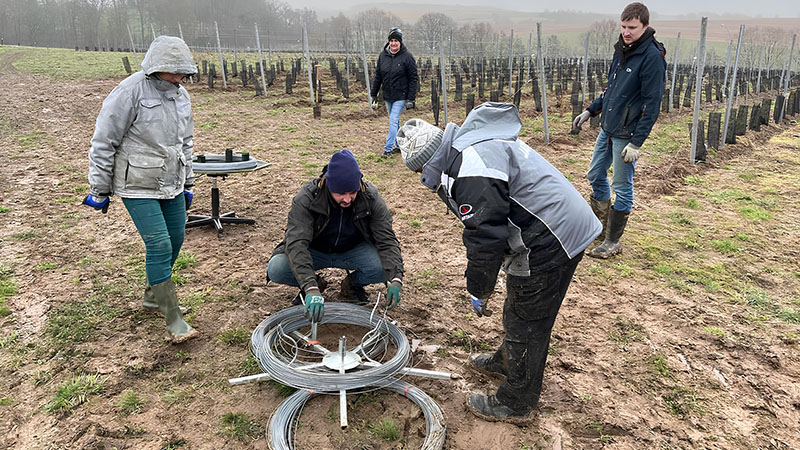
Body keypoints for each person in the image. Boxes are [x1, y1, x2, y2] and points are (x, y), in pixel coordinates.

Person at [397, 102, 602, 422]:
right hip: (549, 227)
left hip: (551, 237)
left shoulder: (470, 167)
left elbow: (486, 236)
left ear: (426, 164)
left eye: (418, 172)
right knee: (519, 306)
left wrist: (479, 288)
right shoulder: (466, 151)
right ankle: (507, 360)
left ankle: (518, 401)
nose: (422, 179)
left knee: (529, 320)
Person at [84, 36, 198, 343]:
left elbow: (185, 142)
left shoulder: (181, 95)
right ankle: (173, 318)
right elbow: (104, 140)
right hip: (137, 183)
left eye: (182, 72)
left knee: (175, 240)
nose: (179, 77)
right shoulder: (130, 91)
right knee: (159, 244)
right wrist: (99, 187)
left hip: (172, 181)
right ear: (156, 66)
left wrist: (188, 180)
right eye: (173, 70)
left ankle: (152, 297)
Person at [573, 2, 666, 259]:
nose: (626, 32)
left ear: (645, 26)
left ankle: (612, 241)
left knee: (622, 186)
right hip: (609, 127)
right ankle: (599, 228)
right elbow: (611, 89)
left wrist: (637, 143)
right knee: (595, 174)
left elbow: (652, 104)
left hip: (627, 133)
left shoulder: (651, 58)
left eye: (632, 28)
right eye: (624, 26)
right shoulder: (622, 50)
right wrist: (591, 110)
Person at [266, 149, 404, 322]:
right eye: (341, 193)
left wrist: (396, 278)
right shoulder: (307, 198)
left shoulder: (370, 197)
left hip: (353, 250)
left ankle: (352, 285)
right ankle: (315, 284)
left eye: (352, 192)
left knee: (383, 267)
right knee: (277, 268)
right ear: (329, 185)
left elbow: (387, 240)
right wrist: (310, 287)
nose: (347, 199)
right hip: (314, 250)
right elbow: (297, 244)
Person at [370, 27, 419, 158]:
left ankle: (388, 148)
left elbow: (413, 78)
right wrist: (373, 93)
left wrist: (411, 98)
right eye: (392, 40)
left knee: (393, 120)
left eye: (396, 41)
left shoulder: (407, 57)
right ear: (388, 42)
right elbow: (378, 75)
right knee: (395, 122)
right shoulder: (383, 56)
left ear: (400, 42)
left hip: (401, 95)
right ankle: (399, 145)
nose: (394, 43)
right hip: (388, 95)